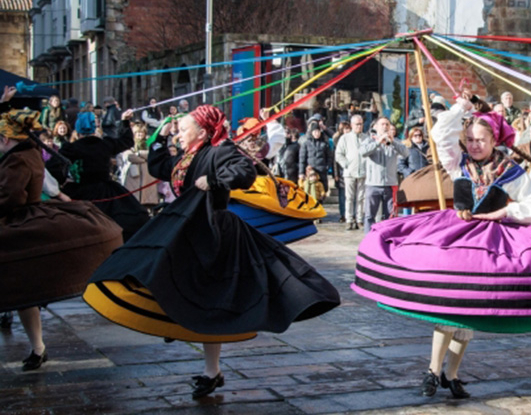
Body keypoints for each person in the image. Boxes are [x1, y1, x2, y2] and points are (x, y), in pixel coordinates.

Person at [84, 105, 341, 398]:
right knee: (179, 286)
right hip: (186, 231)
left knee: (211, 301)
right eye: (177, 130)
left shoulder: (220, 150)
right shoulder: (187, 156)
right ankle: (190, 339)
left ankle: (209, 368)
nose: (178, 134)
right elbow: (159, 167)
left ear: (203, 132)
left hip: (212, 235)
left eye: (183, 129)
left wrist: (215, 181)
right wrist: (160, 138)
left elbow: (244, 172)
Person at [351, 95, 531, 399]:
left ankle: (451, 374)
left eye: (481, 139)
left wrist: (505, 212)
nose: (474, 144)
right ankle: (432, 370)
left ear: (494, 140)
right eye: (469, 139)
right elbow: (441, 133)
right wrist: (462, 109)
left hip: (489, 242)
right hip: (455, 236)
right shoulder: (458, 160)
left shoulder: (509, 171)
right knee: (447, 305)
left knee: (470, 311)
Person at [0, 86, 122, 372]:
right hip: (20, 224)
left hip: (17, 225)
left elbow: (10, 198)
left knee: (21, 291)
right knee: (22, 293)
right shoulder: (23, 151)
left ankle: (38, 347)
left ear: (6, 139)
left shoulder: (18, 158)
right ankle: (37, 348)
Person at [61, 110, 150, 241]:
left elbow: (53, 167)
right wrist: (125, 121)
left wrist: (63, 182)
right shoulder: (105, 144)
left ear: (78, 131)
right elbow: (127, 141)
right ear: (94, 129)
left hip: (80, 191)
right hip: (107, 191)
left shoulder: (71, 148)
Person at [360, 117, 409, 233]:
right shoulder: (369, 140)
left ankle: (389, 237)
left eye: (387, 124)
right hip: (373, 184)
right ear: (375, 127)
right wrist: (377, 142)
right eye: (382, 124)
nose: (385, 126)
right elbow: (362, 152)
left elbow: (406, 153)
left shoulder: (394, 141)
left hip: (390, 184)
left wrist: (393, 142)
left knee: (391, 215)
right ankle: (369, 239)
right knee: (369, 215)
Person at [335, 115, 367, 230]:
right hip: (349, 173)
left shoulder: (366, 138)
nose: (359, 126)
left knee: (361, 197)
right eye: (357, 124)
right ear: (352, 125)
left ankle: (359, 219)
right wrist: (346, 165)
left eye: (361, 124)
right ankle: (349, 219)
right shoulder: (345, 138)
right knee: (349, 197)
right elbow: (338, 154)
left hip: (363, 172)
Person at [120, 122, 160, 208]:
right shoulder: (129, 144)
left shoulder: (150, 143)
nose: (139, 134)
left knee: (147, 201)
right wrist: (144, 158)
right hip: (133, 176)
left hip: (147, 176)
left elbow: (152, 155)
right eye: (137, 132)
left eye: (141, 132)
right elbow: (129, 156)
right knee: (133, 200)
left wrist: (139, 154)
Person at [298, 120, 332, 194]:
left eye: (318, 131)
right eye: (315, 131)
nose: (317, 133)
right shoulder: (306, 144)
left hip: (322, 170)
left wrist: (327, 166)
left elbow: (329, 156)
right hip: (310, 170)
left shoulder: (324, 144)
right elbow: (302, 159)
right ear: (312, 132)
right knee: (310, 190)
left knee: (322, 189)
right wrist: (301, 172)